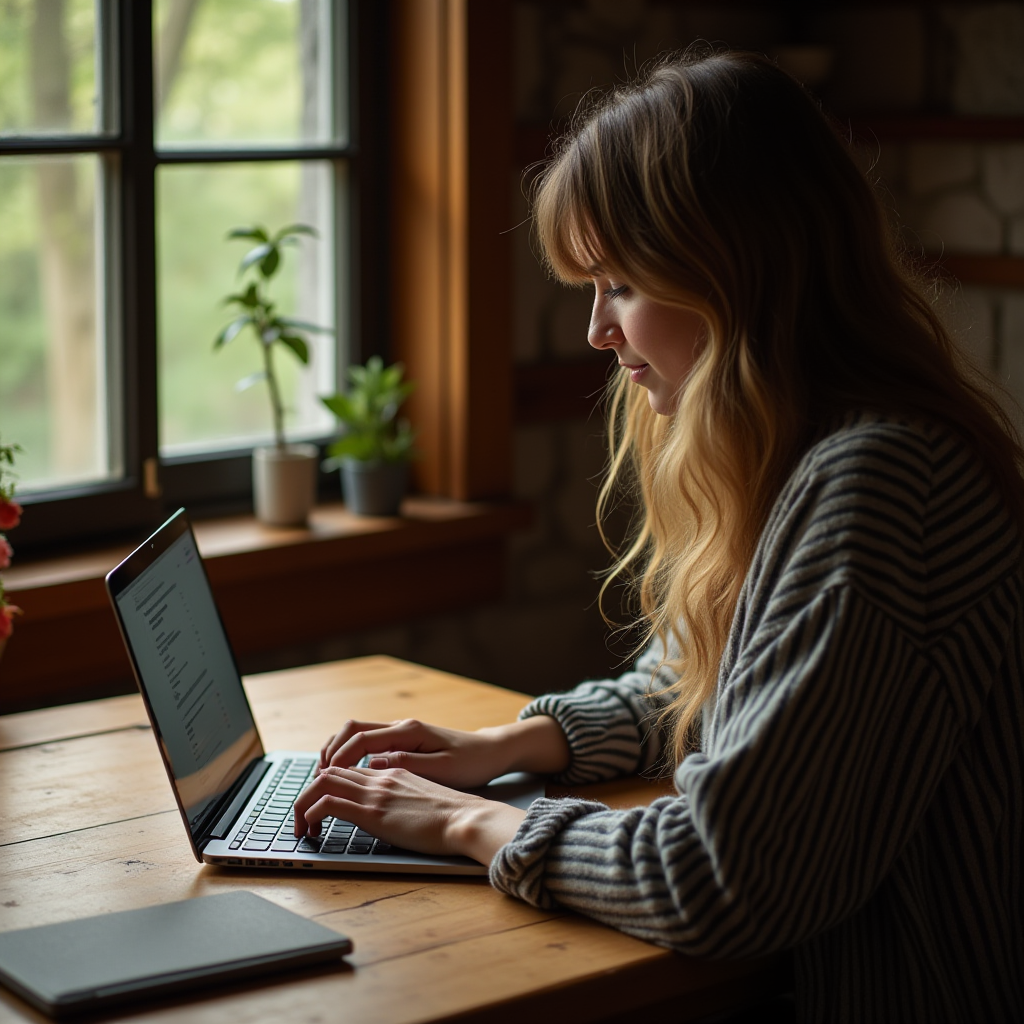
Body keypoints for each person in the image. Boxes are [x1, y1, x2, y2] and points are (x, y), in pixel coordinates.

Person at [294, 49, 1024, 1022]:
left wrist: (474, 820)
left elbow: (723, 882)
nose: (597, 330)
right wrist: (509, 742)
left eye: (619, 284)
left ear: (737, 272)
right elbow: (701, 678)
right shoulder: (803, 444)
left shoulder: (883, 483)